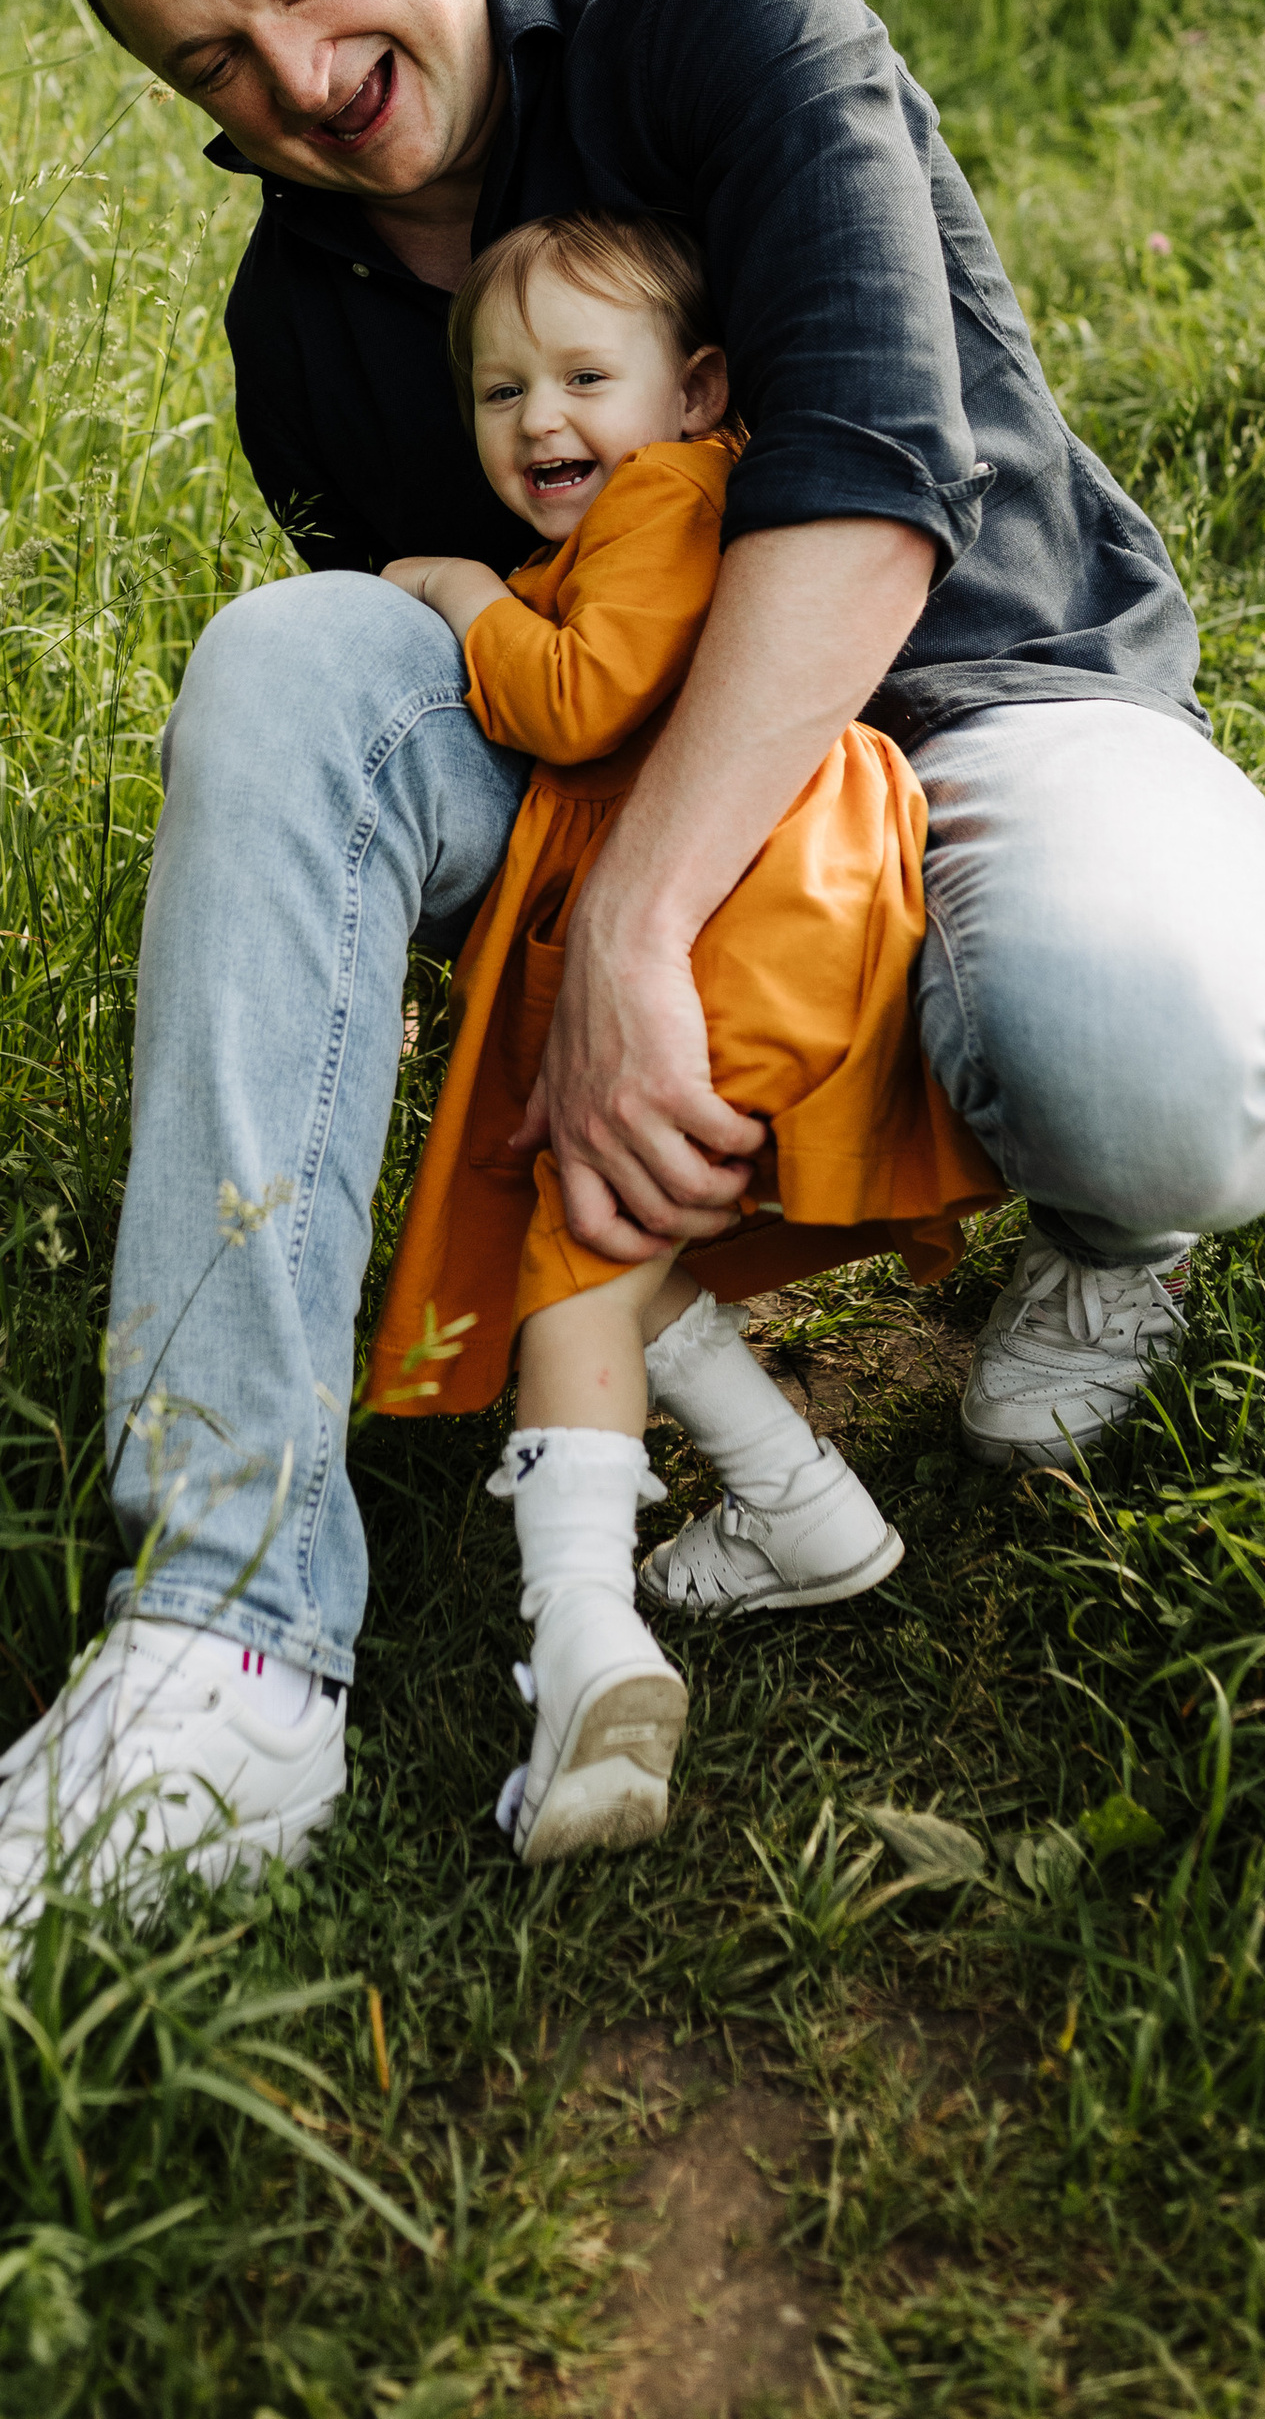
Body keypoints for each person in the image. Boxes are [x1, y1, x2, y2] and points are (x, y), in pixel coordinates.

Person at [0, 0, 1265, 1961]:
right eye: (212, 64)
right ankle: (222, 1645)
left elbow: (866, 499)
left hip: (978, 692)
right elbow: (455, 731)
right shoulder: (296, 325)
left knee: (1145, 1057)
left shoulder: (716, 4)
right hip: (610, 766)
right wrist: (534, 1003)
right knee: (287, 660)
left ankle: (1112, 1231)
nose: (298, 80)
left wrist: (633, 937)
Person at [369, 206, 1004, 1863]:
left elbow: (579, 697)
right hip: (756, 896)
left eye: (587, 376)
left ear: (698, 387)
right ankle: (800, 1506)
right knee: (621, 1228)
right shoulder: (661, 491)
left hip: (743, 903)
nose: (543, 420)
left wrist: (457, 592)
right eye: (502, 391)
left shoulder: (667, 495)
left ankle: (585, 1637)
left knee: (584, 1237)